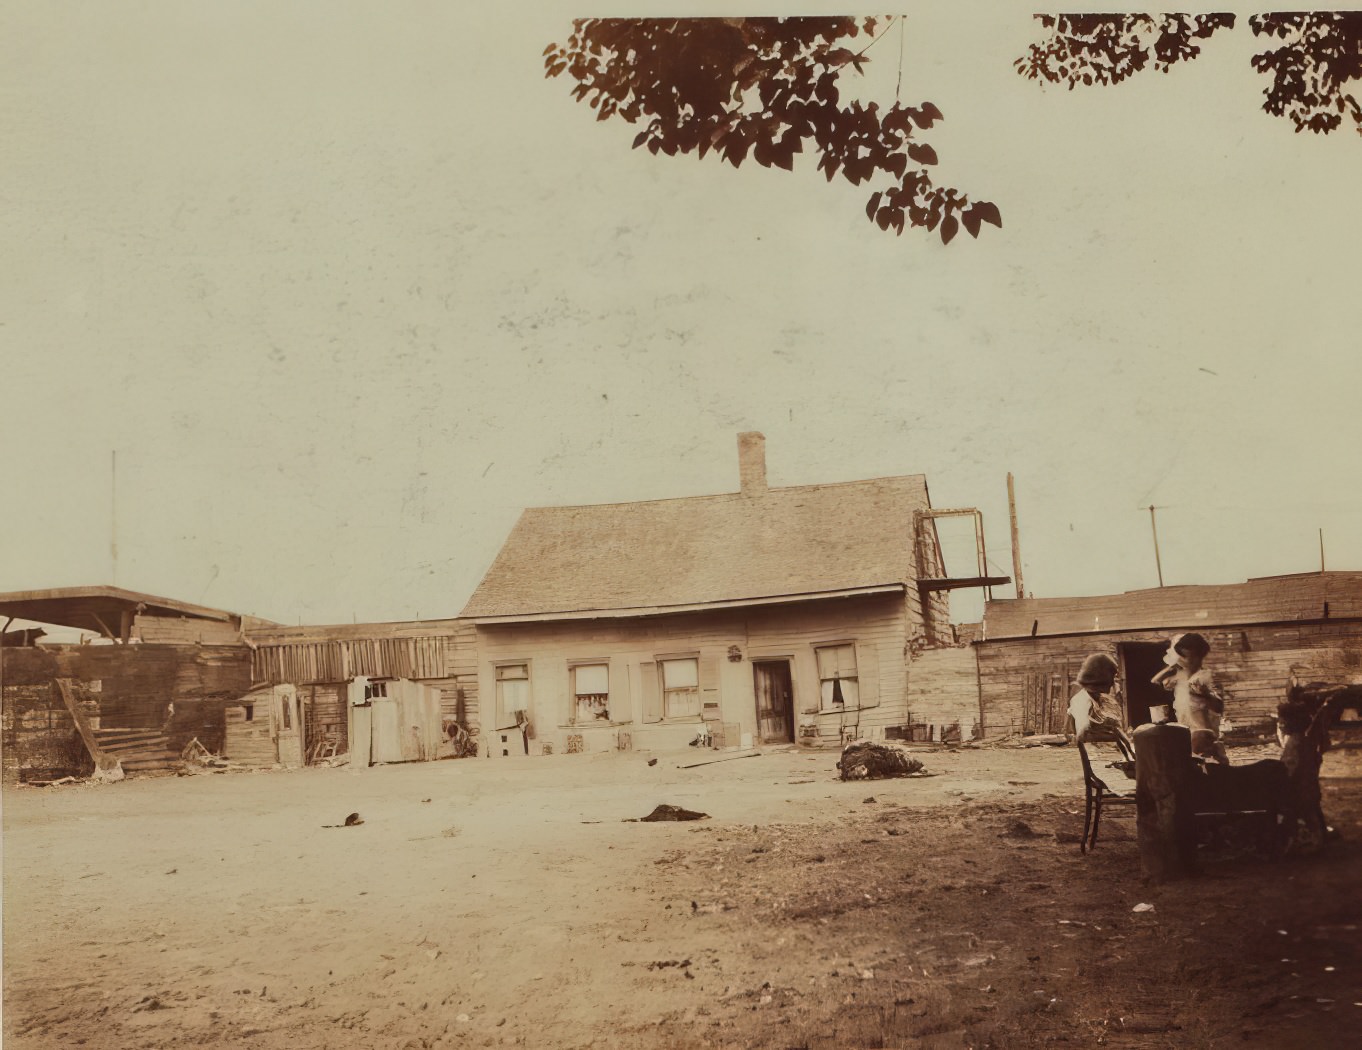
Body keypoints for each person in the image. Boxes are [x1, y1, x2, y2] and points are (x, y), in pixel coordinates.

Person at [1155, 632, 1229, 763]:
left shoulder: (1207, 677)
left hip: (1205, 738)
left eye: (1188, 656)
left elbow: (1219, 707)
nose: (1184, 660)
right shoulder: (1178, 677)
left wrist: (1205, 695)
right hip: (1185, 736)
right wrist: (1172, 665)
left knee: (1212, 773)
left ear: (1198, 657)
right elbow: (1155, 681)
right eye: (1181, 656)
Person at [1068, 652, 1134, 761]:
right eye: (1111, 678)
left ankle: (1130, 756)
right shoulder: (1082, 699)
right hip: (1086, 734)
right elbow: (1081, 733)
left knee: (1118, 732)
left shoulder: (1099, 697)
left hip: (1093, 730)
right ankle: (1130, 756)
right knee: (1117, 734)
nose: (1112, 683)